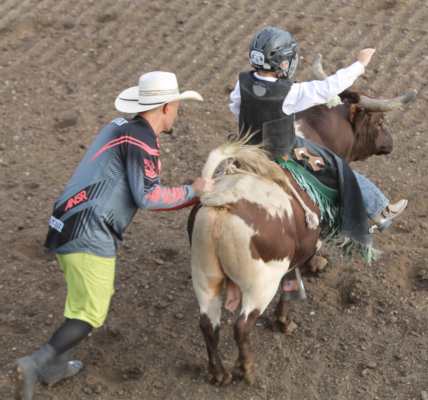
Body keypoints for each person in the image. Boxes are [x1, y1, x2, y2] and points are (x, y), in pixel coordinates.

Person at [13, 71, 215, 400]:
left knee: (83, 300)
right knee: (91, 313)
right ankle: (35, 364)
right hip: (89, 233)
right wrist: (194, 191)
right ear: (167, 107)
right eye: (177, 106)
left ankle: (56, 368)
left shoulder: (118, 127)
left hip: (65, 222)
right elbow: (147, 197)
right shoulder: (142, 140)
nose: (177, 113)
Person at [229, 26, 407, 233]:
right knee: (339, 168)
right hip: (283, 151)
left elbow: (236, 108)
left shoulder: (241, 84)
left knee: (225, 167)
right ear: (283, 63)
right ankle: (380, 211)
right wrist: (359, 64)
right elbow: (326, 89)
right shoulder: (290, 92)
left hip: (249, 149)